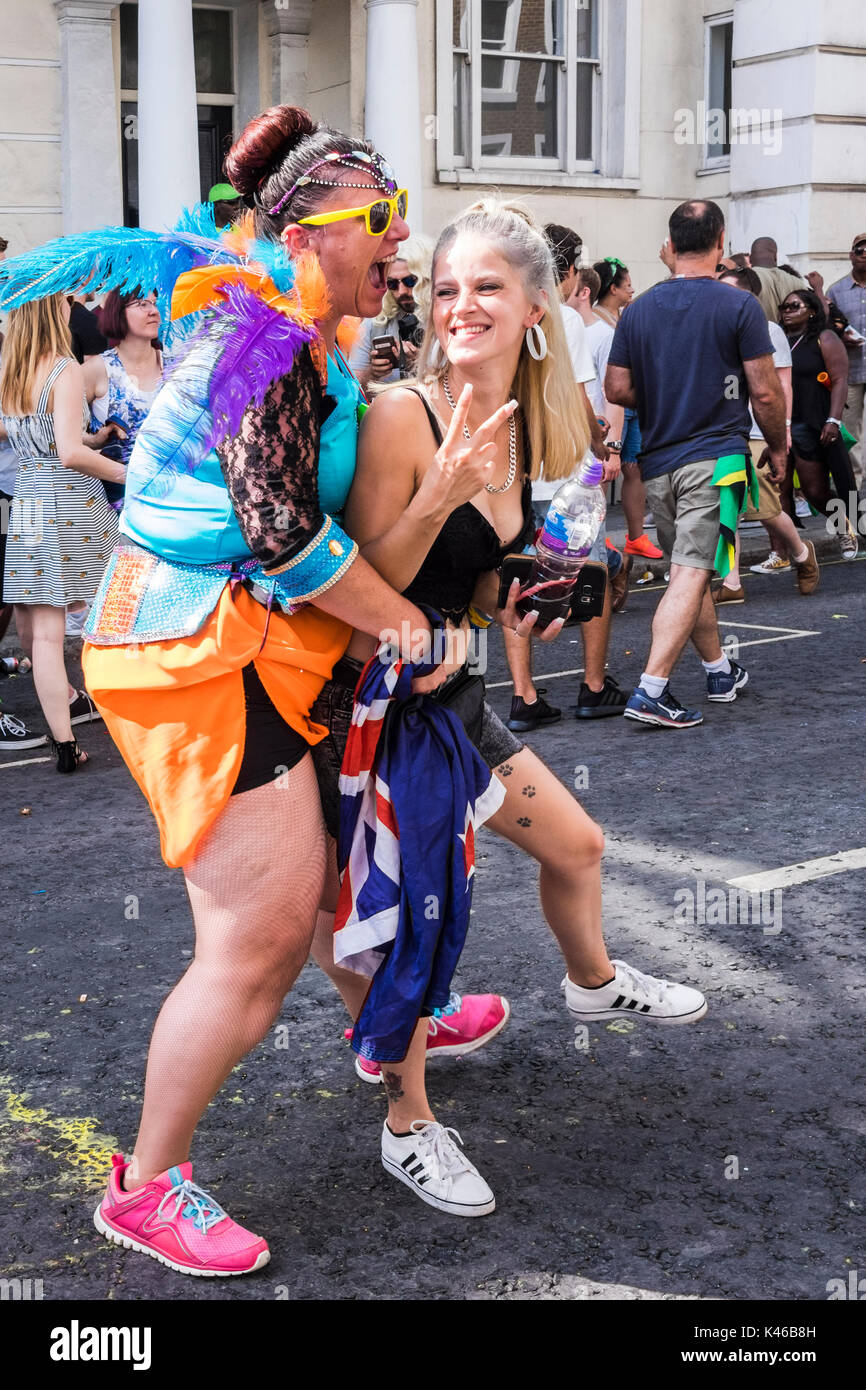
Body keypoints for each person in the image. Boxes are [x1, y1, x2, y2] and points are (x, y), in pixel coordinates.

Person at [3, 105, 510, 1277]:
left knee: (325, 876)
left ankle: (390, 1025)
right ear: (309, 231)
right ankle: (143, 1185)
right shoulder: (267, 338)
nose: (399, 238)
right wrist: (411, 626)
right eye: (377, 220)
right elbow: (283, 537)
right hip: (192, 658)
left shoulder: (307, 334)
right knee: (259, 930)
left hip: (236, 644)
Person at [309, 197, 708, 1219]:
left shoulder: (532, 426)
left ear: (538, 306)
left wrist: (521, 589)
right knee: (405, 929)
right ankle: (407, 1127)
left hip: (452, 692)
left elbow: (474, 589)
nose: (460, 305)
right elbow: (351, 593)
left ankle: (590, 980)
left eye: (486, 286)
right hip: (376, 704)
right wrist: (439, 492)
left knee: (577, 848)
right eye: (446, 287)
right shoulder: (405, 413)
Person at [606, 200, 788, 729]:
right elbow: (766, 394)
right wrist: (776, 449)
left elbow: (617, 387)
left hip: (659, 462)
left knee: (692, 568)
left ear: (671, 241)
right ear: (720, 239)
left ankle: (717, 670)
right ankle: (651, 689)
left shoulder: (636, 310)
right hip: (718, 460)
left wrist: (665, 395)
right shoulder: (738, 306)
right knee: (692, 571)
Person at [0, 294, 123, 765]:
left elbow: (43, 437)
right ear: (51, 310)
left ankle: (65, 745)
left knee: (46, 637)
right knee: (111, 613)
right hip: (70, 499)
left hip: (29, 496)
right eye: (64, 300)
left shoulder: (13, 370)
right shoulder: (64, 369)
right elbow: (70, 454)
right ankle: (131, 711)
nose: (73, 305)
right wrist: (128, 474)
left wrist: (95, 439)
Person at [713, 268, 820, 599]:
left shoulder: (768, 330)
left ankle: (802, 553)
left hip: (760, 430)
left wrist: (782, 433)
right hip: (725, 430)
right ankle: (731, 583)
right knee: (726, 505)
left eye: (726, 290)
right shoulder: (716, 329)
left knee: (767, 510)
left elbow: (782, 386)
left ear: (747, 295)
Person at [779, 288, 858, 559]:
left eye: (794, 306)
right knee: (779, 491)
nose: (787, 311)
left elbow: (839, 380)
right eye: (784, 307)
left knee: (814, 491)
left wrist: (833, 420)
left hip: (811, 421)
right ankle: (787, 552)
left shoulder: (824, 338)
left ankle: (844, 528)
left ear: (811, 310)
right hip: (778, 423)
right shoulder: (778, 340)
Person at [592, 256, 662, 562]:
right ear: (612, 288)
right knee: (603, 474)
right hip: (609, 408)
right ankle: (600, 537)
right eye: (628, 284)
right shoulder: (598, 321)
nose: (632, 289)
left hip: (630, 405)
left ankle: (636, 537)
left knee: (635, 469)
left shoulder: (623, 317)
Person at [348, 236, 431, 391]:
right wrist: (373, 373)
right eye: (392, 284)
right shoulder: (376, 322)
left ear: (426, 279)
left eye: (410, 281)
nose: (402, 292)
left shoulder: (445, 319)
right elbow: (351, 389)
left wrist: (423, 366)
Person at [826, 233, 866, 490]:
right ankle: (855, 484)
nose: (865, 254)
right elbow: (827, 327)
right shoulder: (836, 290)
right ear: (851, 255)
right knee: (850, 432)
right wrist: (841, 335)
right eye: (860, 250)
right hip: (850, 371)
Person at [749, 237, 806, 323]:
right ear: (775, 256)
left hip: (758, 334)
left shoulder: (746, 279)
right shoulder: (797, 282)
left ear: (750, 258)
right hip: (789, 335)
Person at [68, 291, 108, 363]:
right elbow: (95, 371)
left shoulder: (53, 318)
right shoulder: (91, 322)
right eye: (92, 279)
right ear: (84, 280)